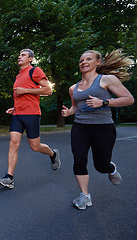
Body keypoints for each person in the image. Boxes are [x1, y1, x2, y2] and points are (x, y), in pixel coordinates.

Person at [61, 49, 135, 210]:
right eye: (81, 60)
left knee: (101, 166)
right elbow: (75, 107)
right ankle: (85, 196)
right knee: (79, 160)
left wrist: (104, 102)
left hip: (103, 128)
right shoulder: (74, 88)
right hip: (80, 127)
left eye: (88, 59)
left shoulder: (107, 79)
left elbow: (129, 99)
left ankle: (111, 169)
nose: (84, 62)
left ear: (97, 62)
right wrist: (69, 112)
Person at [0, 49, 61, 189]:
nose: (19, 56)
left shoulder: (35, 71)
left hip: (32, 114)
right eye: (19, 54)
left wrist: (26, 90)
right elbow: (20, 96)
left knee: (35, 147)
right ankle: (9, 178)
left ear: (30, 58)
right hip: (18, 114)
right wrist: (15, 107)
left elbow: (48, 90)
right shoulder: (18, 76)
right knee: (13, 143)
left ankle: (53, 153)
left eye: (23, 55)